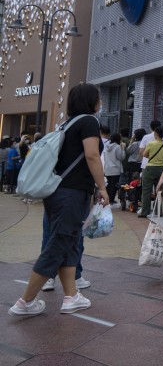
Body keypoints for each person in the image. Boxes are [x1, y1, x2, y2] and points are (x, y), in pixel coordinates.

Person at [8, 83, 109, 317]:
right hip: (71, 194)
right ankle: (25, 302)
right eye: (98, 99)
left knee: (69, 242)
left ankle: (71, 296)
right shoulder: (89, 122)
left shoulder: (67, 124)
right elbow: (92, 155)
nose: (100, 103)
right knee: (58, 243)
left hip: (59, 192)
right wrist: (103, 187)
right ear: (92, 102)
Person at [138, 126, 163, 217]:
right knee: (159, 190)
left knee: (146, 190)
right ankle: (159, 211)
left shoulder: (151, 144)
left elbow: (144, 154)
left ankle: (145, 212)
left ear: (156, 133)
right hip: (161, 168)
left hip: (150, 168)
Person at [101, 131, 124, 199]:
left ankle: (107, 199)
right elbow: (121, 157)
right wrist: (123, 149)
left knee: (109, 185)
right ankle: (111, 199)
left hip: (107, 168)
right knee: (114, 185)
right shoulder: (117, 147)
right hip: (115, 169)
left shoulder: (106, 146)